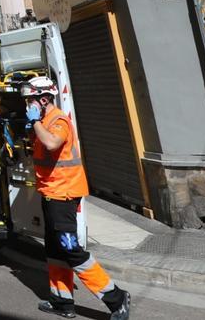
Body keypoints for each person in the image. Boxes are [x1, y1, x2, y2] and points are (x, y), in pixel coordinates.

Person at [23, 76, 130, 320]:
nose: (27, 105)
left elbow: (51, 143)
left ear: (43, 99)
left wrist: (35, 125)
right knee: (55, 250)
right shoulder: (42, 121)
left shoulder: (58, 120)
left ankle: (116, 298)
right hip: (51, 193)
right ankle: (62, 301)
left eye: (30, 100)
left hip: (63, 195)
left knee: (71, 250)